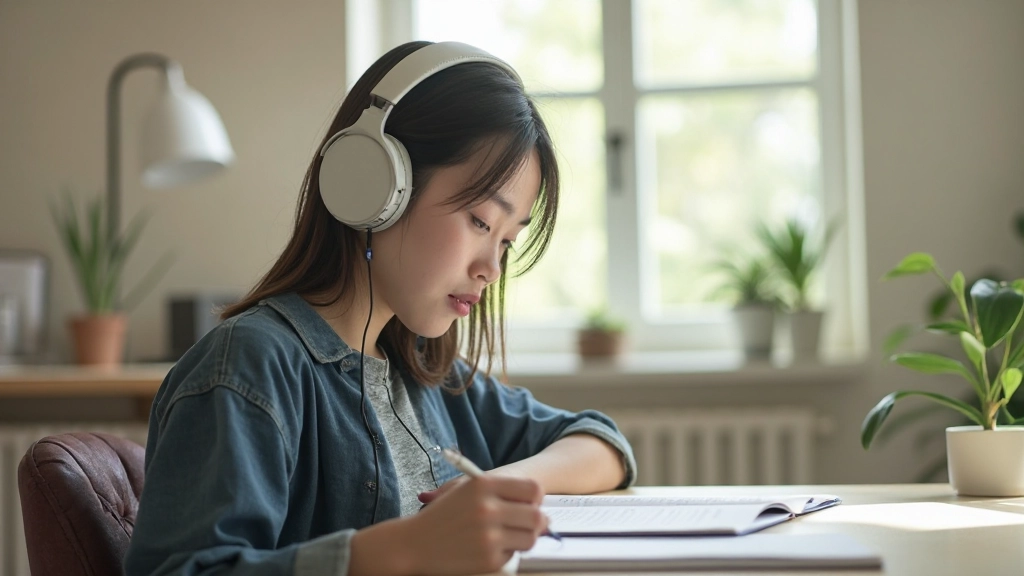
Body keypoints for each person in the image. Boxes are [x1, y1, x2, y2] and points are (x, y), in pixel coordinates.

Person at [124, 40, 636, 576]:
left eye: (507, 241)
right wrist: (409, 550)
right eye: (482, 222)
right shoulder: (251, 367)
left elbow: (603, 444)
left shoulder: (422, 371)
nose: (492, 268)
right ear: (376, 184)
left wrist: (510, 484)